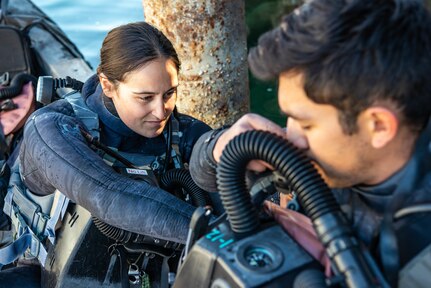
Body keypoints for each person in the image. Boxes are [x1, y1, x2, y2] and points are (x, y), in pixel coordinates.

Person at [189, 0, 431, 286]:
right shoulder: (334, 153)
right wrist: (219, 146)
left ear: (378, 126)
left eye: (305, 123)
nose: (289, 137)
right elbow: (203, 175)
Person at [0, 21, 211, 286]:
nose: (161, 112)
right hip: (44, 272)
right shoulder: (51, 128)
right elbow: (107, 194)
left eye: (169, 93)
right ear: (107, 85)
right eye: (145, 98)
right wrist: (212, 233)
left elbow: (223, 159)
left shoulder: (179, 131)